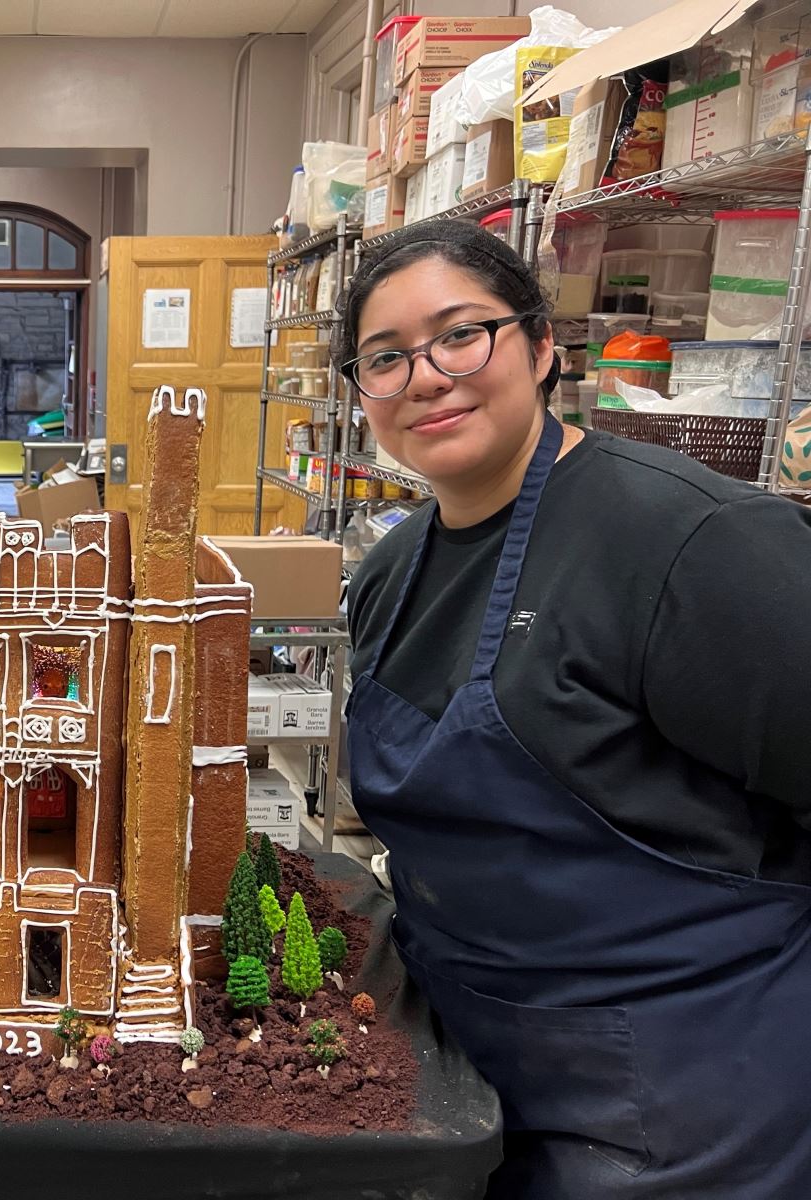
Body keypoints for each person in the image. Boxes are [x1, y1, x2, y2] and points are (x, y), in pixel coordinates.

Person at [339, 220, 811, 1198]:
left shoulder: (693, 546)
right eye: (385, 358)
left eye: (460, 334)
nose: (425, 376)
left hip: (689, 1110)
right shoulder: (391, 570)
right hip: (477, 1082)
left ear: (543, 342)